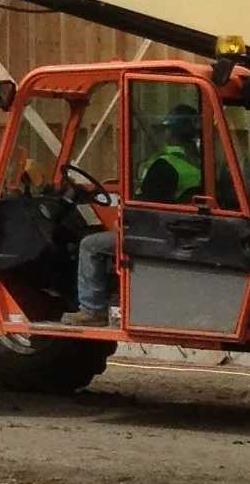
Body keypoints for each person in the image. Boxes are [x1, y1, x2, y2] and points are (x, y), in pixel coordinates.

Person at [67, 98, 204, 325]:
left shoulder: (165, 165)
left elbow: (142, 207)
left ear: (170, 132)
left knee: (90, 245)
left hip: (156, 233)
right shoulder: (199, 163)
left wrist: (121, 224)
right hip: (178, 229)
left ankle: (92, 310)